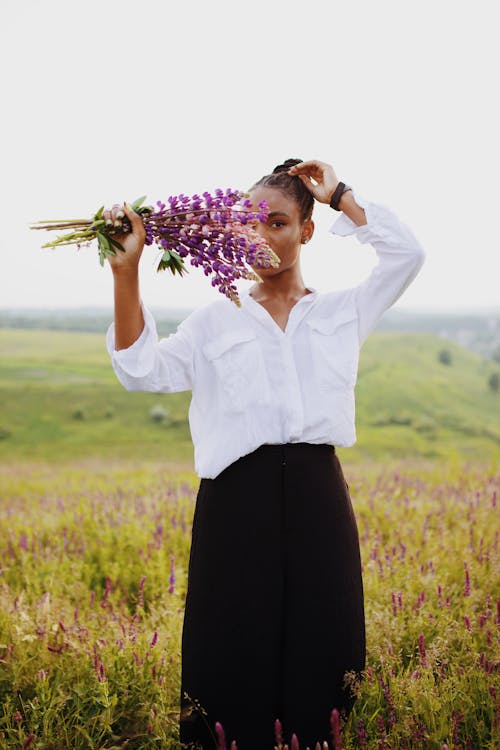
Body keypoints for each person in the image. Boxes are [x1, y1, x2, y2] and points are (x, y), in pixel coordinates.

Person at [105, 158, 425, 750]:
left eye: (276, 222)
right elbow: (139, 370)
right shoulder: (212, 322)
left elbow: (407, 256)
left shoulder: (342, 311)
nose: (258, 236)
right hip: (234, 500)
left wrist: (341, 197)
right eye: (247, 223)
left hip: (317, 493)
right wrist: (128, 273)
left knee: (324, 637)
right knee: (230, 639)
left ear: (305, 231)